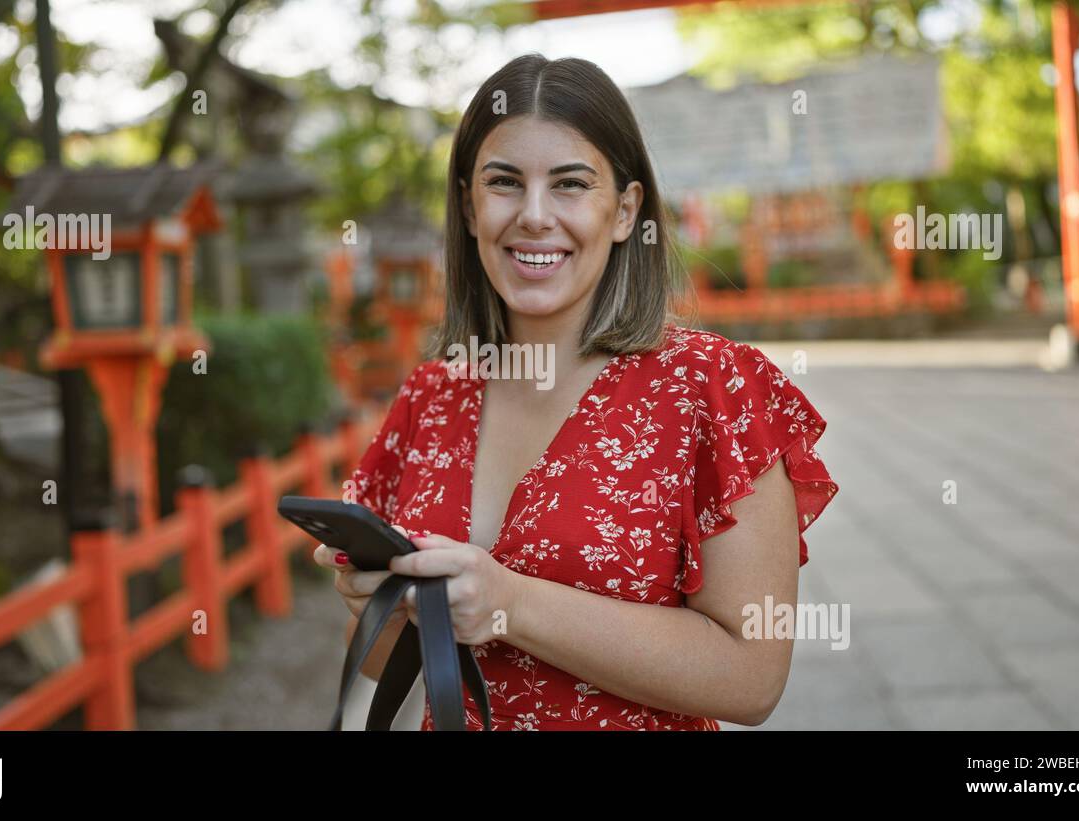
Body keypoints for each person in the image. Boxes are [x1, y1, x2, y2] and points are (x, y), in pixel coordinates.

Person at [314, 53, 839, 730]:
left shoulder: (712, 388)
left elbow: (752, 677)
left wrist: (512, 602)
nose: (534, 216)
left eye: (569, 184)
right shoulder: (431, 394)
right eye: (504, 182)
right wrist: (376, 603)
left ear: (624, 211)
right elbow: (386, 663)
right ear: (470, 208)